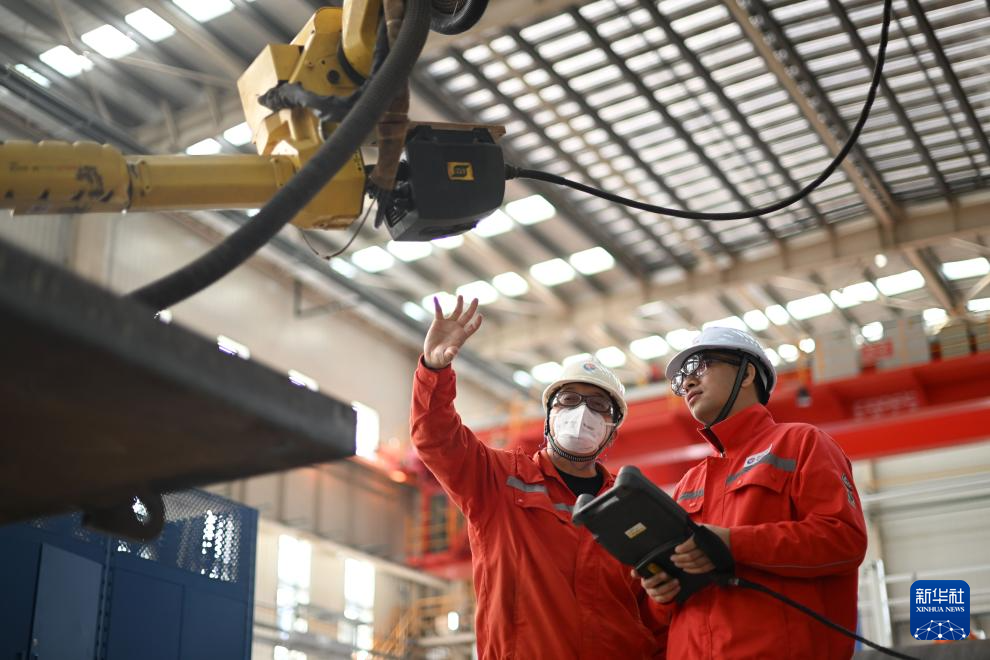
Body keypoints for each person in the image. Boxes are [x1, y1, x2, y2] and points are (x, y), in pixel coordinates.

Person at [410, 295, 664, 659]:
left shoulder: (631, 508)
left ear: (612, 432)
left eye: (598, 406)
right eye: (570, 400)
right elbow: (435, 438)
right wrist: (434, 370)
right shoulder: (496, 480)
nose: (582, 413)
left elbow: (655, 612)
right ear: (548, 417)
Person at [638, 326, 868, 659]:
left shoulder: (802, 444)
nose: (687, 382)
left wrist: (735, 544)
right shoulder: (689, 483)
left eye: (701, 365)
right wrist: (660, 592)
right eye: (682, 377)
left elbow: (844, 540)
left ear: (746, 374)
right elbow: (663, 618)